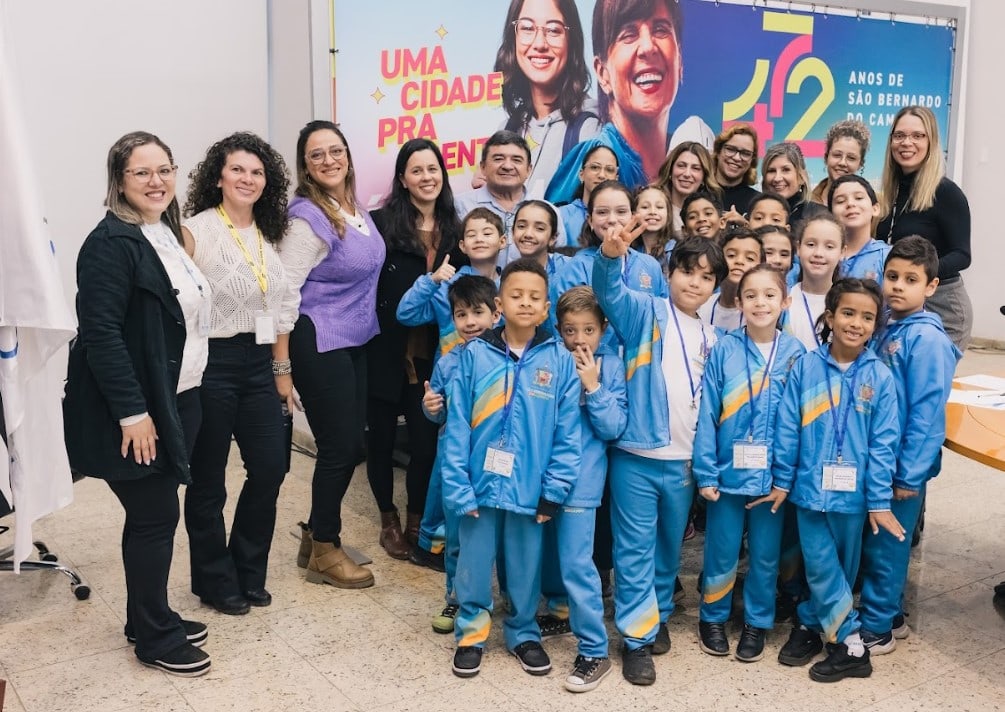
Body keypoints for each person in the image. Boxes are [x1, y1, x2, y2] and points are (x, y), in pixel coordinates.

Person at [63, 131, 212, 676]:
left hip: (181, 396)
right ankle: (155, 637)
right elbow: (100, 334)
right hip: (140, 410)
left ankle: (143, 615)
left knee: (151, 516)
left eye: (164, 170)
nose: (157, 182)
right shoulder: (109, 243)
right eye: (142, 173)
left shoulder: (164, 232)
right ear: (119, 182)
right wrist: (133, 413)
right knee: (154, 516)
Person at [593, 234, 726, 685]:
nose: (696, 282)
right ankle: (636, 640)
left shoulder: (715, 337)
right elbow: (610, 292)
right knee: (633, 549)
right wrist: (611, 258)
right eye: (688, 271)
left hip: (686, 461)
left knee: (670, 547)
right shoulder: (645, 312)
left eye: (707, 277)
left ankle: (658, 614)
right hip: (637, 454)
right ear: (669, 273)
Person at [443, 258, 581, 680]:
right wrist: (458, 486)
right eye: (516, 295)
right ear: (499, 304)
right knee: (474, 562)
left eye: (535, 298)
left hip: (529, 487)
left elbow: (567, 434)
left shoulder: (558, 361)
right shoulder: (473, 355)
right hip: (477, 486)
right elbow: (457, 425)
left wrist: (553, 492)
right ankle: (471, 633)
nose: (525, 303)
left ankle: (523, 633)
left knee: (525, 567)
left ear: (545, 308)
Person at [181, 132, 294, 615]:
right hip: (212, 364)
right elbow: (179, 306)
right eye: (238, 170)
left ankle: (248, 570)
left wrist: (281, 370)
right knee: (208, 479)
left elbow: (283, 306)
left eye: (257, 172)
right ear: (218, 177)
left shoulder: (271, 232)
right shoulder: (195, 231)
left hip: (259, 362)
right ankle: (213, 579)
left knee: (271, 467)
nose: (248, 179)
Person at [773, 278, 903, 683]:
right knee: (820, 565)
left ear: (875, 324)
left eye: (867, 317)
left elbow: (884, 444)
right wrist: (782, 479)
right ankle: (852, 645)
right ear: (830, 317)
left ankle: (813, 621)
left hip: (855, 496)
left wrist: (879, 500)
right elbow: (787, 428)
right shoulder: (806, 366)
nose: (857, 323)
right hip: (811, 490)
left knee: (842, 571)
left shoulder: (879, 377)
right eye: (848, 313)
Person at [281, 120, 385, 589]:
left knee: (351, 445)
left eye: (335, 151)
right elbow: (282, 292)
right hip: (318, 339)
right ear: (305, 164)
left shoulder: (352, 206)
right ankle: (326, 547)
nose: (329, 160)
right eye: (317, 154)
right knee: (340, 447)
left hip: (354, 339)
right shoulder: (308, 217)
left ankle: (314, 537)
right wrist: (281, 367)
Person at [694, 264, 805, 662]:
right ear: (739, 302)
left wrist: (785, 478)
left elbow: (797, 422)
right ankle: (713, 617)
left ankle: (758, 622)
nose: (761, 303)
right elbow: (707, 412)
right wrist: (705, 472)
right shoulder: (724, 349)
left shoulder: (796, 354)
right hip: (726, 474)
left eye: (770, 295)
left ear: (785, 301)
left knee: (764, 554)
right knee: (720, 552)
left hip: (773, 480)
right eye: (751, 295)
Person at [858, 236, 961, 653]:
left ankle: (877, 630)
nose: (898, 286)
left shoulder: (927, 341)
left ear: (931, 287)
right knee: (877, 543)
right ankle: (891, 614)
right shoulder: (887, 327)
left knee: (888, 547)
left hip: (901, 469)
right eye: (892, 276)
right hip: (878, 461)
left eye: (911, 279)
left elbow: (927, 414)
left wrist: (908, 474)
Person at [366, 139, 463, 560]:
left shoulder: (457, 231)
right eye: (417, 170)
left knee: (425, 444)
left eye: (433, 169)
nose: (427, 177)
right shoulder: (379, 225)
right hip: (383, 346)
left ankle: (416, 518)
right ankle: (388, 519)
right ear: (403, 179)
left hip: (431, 353)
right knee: (382, 440)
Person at [533, 286, 626, 692]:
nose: (579, 339)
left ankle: (594, 649)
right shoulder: (548, 359)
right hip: (541, 478)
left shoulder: (611, 365)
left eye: (589, 329)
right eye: (570, 330)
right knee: (548, 556)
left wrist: (593, 386)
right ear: (558, 330)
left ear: (603, 329)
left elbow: (613, 427)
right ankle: (560, 613)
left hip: (582, 483)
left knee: (577, 563)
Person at [545, 0, 714, 203]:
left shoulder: (680, 164)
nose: (647, 47)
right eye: (628, 34)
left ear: (679, 60)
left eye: (660, 30)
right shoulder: (597, 153)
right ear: (602, 72)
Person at [421, 276, 500, 632]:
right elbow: (437, 412)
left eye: (478, 313)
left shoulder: (508, 359)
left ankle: (504, 597)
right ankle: (455, 599)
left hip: (496, 465)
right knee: (457, 539)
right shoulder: (448, 362)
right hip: (456, 464)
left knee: (500, 538)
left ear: (496, 314)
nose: (470, 322)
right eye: (461, 314)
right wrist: (431, 407)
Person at [876, 105, 973, 350]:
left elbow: (962, 255)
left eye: (918, 136)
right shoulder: (888, 194)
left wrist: (917, 275)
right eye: (900, 135)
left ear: (931, 142)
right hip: (898, 306)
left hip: (942, 308)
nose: (906, 142)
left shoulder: (946, 193)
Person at [494, 0, 600, 194]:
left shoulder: (593, 128)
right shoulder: (507, 130)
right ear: (513, 38)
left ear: (571, 40)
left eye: (553, 30)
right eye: (527, 28)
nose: (540, 44)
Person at [397, 208, 506, 363]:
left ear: (502, 241)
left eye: (487, 233)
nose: (479, 239)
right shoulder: (447, 286)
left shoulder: (509, 288)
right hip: (449, 377)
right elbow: (406, 314)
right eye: (471, 235)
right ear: (462, 246)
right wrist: (432, 281)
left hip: (495, 378)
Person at [455, 131, 566, 259]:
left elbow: (557, 263)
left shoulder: (548, 211)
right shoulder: (459, 206)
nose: (507, 166)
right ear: (483, 167)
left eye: (516, 160)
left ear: (529, 170)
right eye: (498, 159)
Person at [783, 213, 845, 351]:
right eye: (811, 244)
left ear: (842, 252)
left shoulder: (848, 303)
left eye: (829, 247)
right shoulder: (781, 300)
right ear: (798, 248)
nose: (818, 253)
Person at [698, 227, 764, 331]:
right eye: (731, 255)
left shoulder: (762, 310)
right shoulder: (701, 305)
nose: (739, 261)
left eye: (750, 258)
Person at [829, 175, 889, 285]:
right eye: (840, 201)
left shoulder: (887, 256)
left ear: (875, 209)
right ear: (830, 215)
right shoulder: (822, 254)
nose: (850, 204)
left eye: (859, 198)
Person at [557, 145, 619, 243]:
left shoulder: (623, 218)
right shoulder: (560, 216)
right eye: (595, 167)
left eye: (609, 170)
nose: (602, 175)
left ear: (616, 179)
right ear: (581, 175)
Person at [657, 141, 720, 235]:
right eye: (681, 166)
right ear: (670, 171)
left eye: (695, 168)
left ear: (704, 177)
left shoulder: (712, 215)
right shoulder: (654, 209)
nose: (687, 174)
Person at [761, 142, 828, 229]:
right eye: (771, 171)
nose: (777, 178)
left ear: (800, 177)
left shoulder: (821, 215)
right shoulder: (756, 214)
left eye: (786, 170)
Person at [810, 120, 871, 206]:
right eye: (837, 155)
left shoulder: (872, 206)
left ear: (860, 164)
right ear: (826, 157)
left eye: (851, 158)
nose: (842, 163)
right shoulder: (805, 204)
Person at [713, 123, 760, 220]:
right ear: (718, 151)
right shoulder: (697, 193)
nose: (737, 158)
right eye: (730, 149)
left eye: (746, 153)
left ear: (752, 160)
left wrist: (745, 225)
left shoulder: (758, 202)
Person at [632, 184, 674, 272]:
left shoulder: (676, 250)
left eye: (659, 207)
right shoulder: (628, 250)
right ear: (634, 213)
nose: (653, 212)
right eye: (645, 207)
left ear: (668, 214)